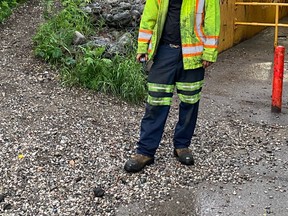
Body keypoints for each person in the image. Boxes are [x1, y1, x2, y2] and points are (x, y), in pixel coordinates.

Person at [124, 0, 220, 173]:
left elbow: (212, 20)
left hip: (193, 54)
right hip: (165, 52)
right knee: (155, 102)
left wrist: (209, 51)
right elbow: (149, 16)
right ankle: (145, 151)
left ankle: (182, 146)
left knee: (190, 103)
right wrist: (142, 46)